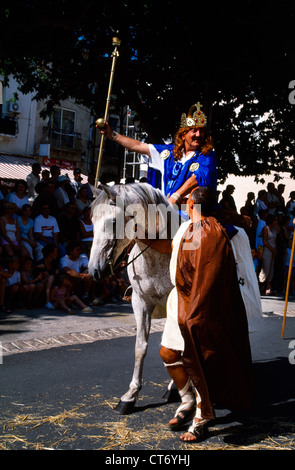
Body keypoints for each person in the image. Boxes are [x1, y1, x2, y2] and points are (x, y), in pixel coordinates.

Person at [159, 187, 253, 442]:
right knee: (167, 353)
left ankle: (203, 415)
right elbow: (175, 250)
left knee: (202, 359)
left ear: (193, 205)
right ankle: (187, 400)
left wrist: (197, 312)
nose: (186, 205)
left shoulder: (213, 232)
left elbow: (209, 275)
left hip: (200, 306)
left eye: (188, 202)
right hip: (179, 300)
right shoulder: (188, 226)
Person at [98, 102, 217, 209]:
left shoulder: (207, 155)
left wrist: (176, 196)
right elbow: (138, 146)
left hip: (194, 213)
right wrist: (112, 135)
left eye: (201, 131)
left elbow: (198, 177)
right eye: (194, 130)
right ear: (183, 135)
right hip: (169, 209)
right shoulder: (169, 153)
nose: (199, 134)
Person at [259, 214, 278, 295]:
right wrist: (272, 249)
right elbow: (265, 241)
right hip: (267, 250)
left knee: (271, 269)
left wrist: (275, 250)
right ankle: (261, 285)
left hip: (273, 250)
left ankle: (268, 286)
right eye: (275, 220)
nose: (276, 221)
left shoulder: (274, 229)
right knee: (265, 268)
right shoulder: (265, 229)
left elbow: (275, 239)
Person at [36, 244, 60, 310]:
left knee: (52, 278)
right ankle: (47, 301)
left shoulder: (55, 262)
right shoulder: (41, 263)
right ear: (50, 253)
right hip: (40, 282)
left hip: (51, 283)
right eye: (55, 252)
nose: (57, 254)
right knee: (51, 277)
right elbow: (46, 275)